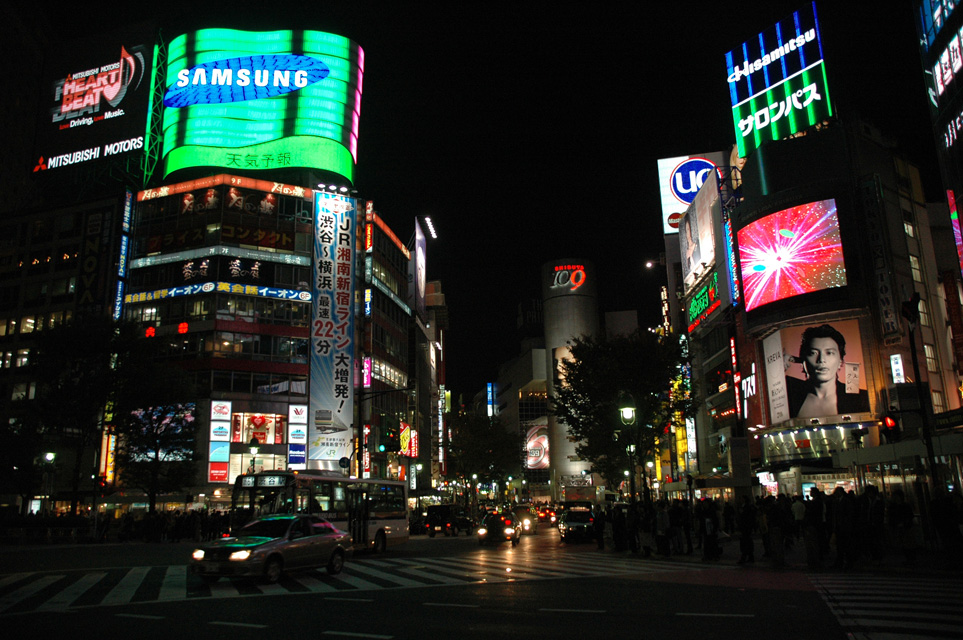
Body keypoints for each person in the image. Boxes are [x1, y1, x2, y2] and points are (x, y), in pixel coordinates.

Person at [786, 324, 870, 419]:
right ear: (804, 360)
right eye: (813, 353)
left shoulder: (860, 398)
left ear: (840, 361)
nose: (821, 360)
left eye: (829, 353)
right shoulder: (789, 393)